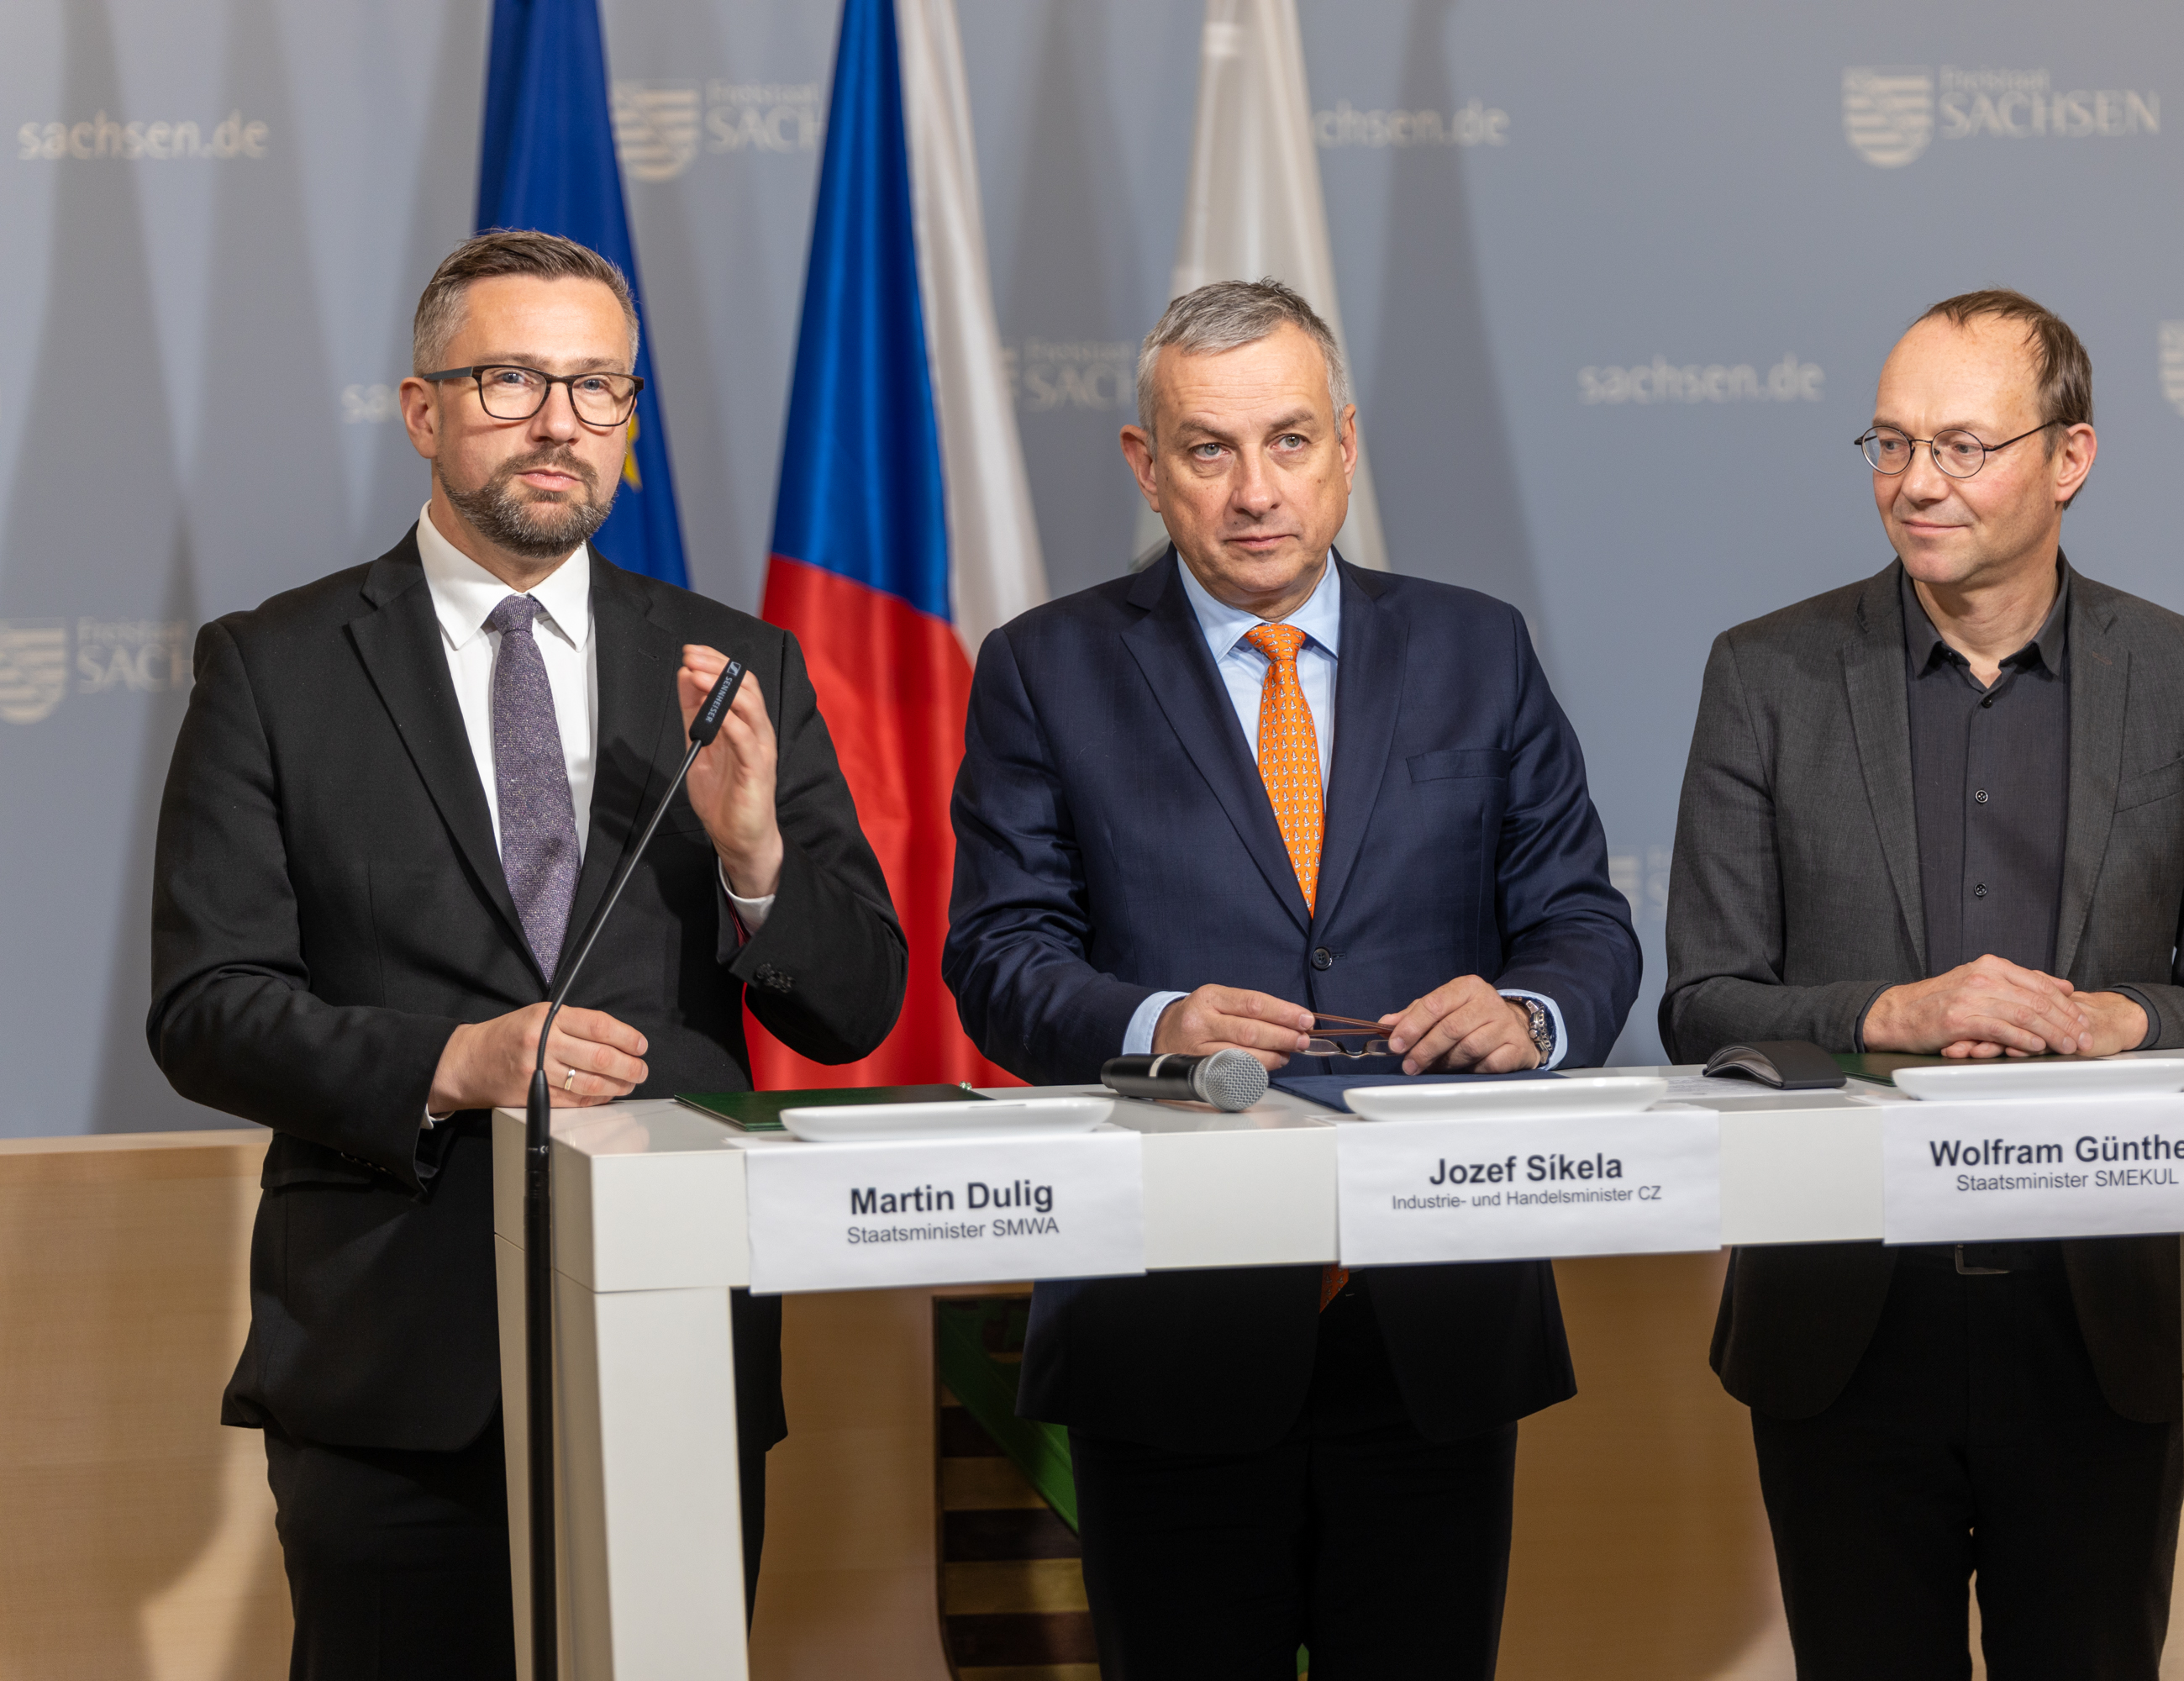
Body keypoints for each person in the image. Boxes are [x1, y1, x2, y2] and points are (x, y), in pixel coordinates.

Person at [147, 229, 906, 1678]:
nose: (560, 422)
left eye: (598, 387)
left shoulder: (733, 662)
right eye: (511, 380)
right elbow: (206, 1008)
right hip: (391, 1363)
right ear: (422, 410)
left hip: (673, 1339)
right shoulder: (276, 666)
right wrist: (454, 1062)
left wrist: (757, 860)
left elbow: (858, 1004)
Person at [944, 278, 1639, 1678]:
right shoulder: (1044, 669)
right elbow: (999, 958)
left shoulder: (1478, 647)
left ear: (1347, 446)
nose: (1255, 490)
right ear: (1147, 466)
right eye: (1209, 449)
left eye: (1290, 441)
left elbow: (1584, 923)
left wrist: (1529, 1014)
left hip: (1432, 1317)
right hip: (1168, 1325)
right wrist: (1158, 1022)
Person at [1660, 289, 2184, 1678]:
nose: (1915, 482)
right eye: (1890, 444)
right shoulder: (1767, 674)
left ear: (2070, 458)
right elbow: (1703, 1001)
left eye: (1962, 446)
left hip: (2096, 1323)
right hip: (1845, 1321)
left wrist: (2124, 1020)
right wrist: (1889, 1014)